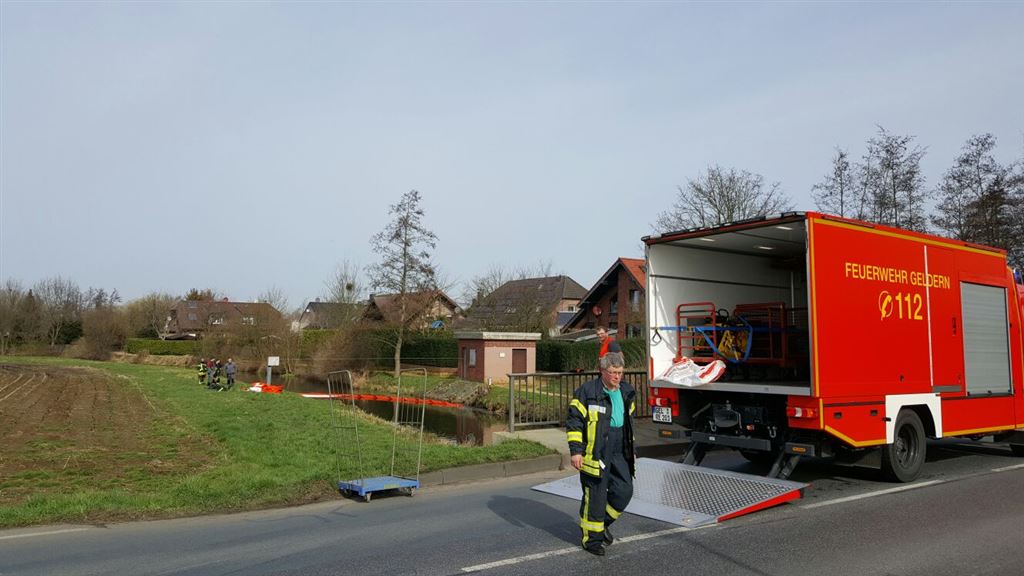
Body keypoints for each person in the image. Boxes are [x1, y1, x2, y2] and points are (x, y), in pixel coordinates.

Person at [566, 351, 636, 556]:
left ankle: (601, 524)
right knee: (595, 496)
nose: (617, 376)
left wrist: (632, 450)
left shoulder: (627, 391)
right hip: (595, 451)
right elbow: (574, 422)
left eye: (620, 372)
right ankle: (592, 540)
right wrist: (576, 452)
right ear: (602, 371)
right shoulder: (587, 391)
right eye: (613, 372)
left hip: (620, 448)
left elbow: (630, 425)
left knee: (624, 491)